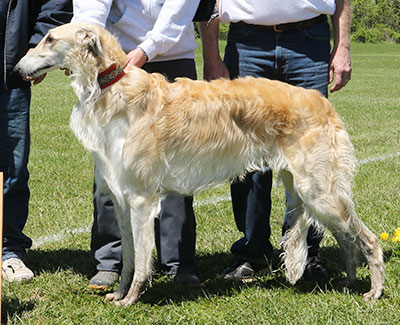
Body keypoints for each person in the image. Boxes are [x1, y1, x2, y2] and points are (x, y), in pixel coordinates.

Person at [200, 0, 352, 283]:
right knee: (245, 155)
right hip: (247, 40)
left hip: (309, 42)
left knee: (310, 157)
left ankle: (306, 254)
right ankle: (252, 253)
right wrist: (210, 53)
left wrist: (342, 47)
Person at [71, 0, 202, 289]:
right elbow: (91, 8)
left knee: (174, 165)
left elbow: (179, 8)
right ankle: (111, 260)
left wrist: (147, 49)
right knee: (111, 165)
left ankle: (177, 261)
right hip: (113, 61)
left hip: (171, 55)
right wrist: (83, 46)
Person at [1, 0, 72, 282]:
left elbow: (55, 5)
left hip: (9, 73)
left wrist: (36, 48)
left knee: (13, 171)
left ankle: (10, 252)